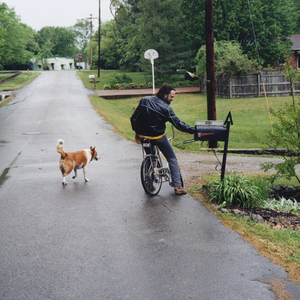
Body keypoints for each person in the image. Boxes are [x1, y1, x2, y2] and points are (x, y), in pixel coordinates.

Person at [130, 84, 195, 195]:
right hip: (158, 137)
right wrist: (195, 130)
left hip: (144, 137)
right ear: (165, 95)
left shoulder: (144, 100)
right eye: (171, 97)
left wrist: (137, 132)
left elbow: (133, 118)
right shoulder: (166, 108)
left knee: (150, 158)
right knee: (171, 158)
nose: (172, 100)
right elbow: (179, 125)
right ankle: (178, 187)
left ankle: (149, 185)